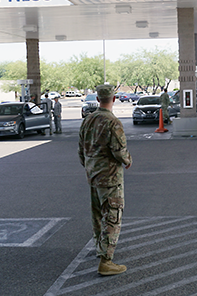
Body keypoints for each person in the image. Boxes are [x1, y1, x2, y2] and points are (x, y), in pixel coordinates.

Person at [78, 84, 132, 276]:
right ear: (114, 99)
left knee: (98, 216)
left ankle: (99, 248)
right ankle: (106, 261)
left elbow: (81, 150)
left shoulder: (88, 120)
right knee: (112, 216)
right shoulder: (112, 122)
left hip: (93, 176)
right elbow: (119, 150)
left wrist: (90, 166)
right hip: (109, 178)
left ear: (98, 99)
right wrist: (127, 160)